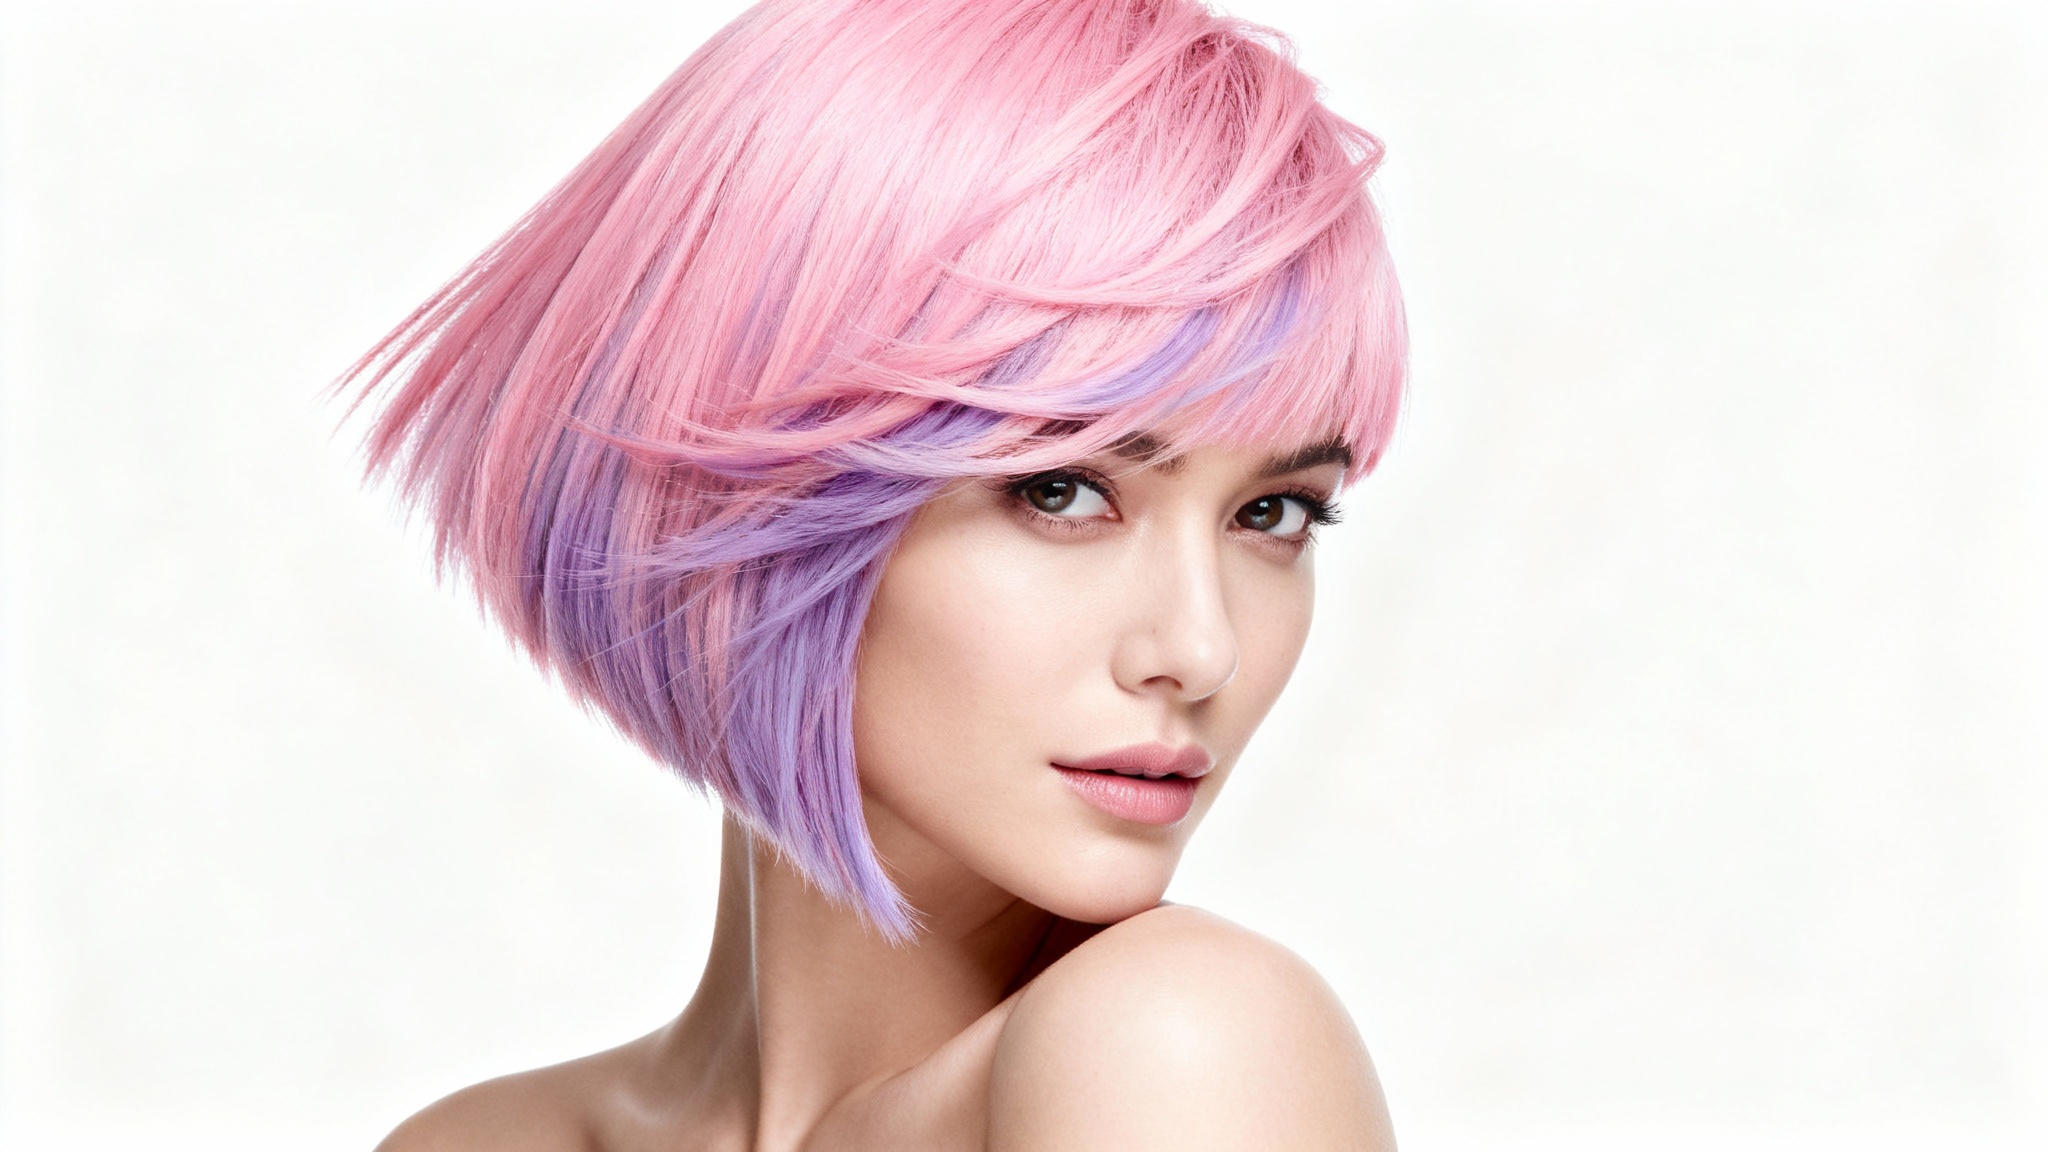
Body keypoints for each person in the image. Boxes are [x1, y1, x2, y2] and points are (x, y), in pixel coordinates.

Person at [349, 0, 1406, 1147]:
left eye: (1273, 513)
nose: (1202, 649)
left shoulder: (1177, 1042)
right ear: (758, 492)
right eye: (1060, 491)